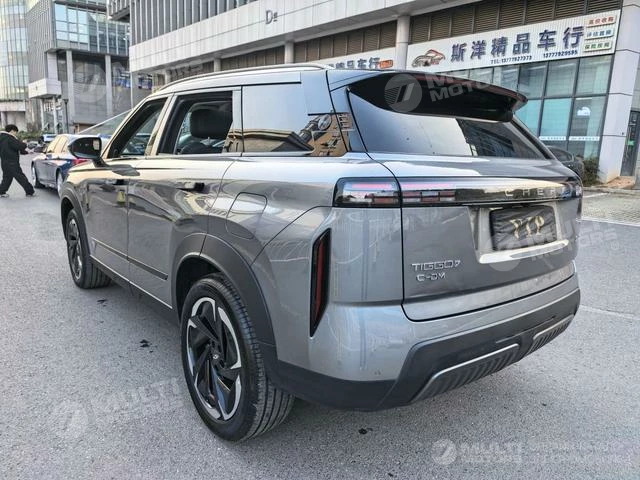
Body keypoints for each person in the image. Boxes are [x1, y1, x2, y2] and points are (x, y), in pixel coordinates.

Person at [0, 124, 35, 198]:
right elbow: (20, 146)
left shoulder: (2, 138)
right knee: (20, 177)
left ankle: (1, 191)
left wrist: (27, 152)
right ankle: (29, 191)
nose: (16, 134)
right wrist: (24, 143)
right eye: (16, 132)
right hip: (12, 162)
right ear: (12, 131)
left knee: (7, 177)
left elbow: (14, 148)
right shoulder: (9, 138)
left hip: (4, 162)